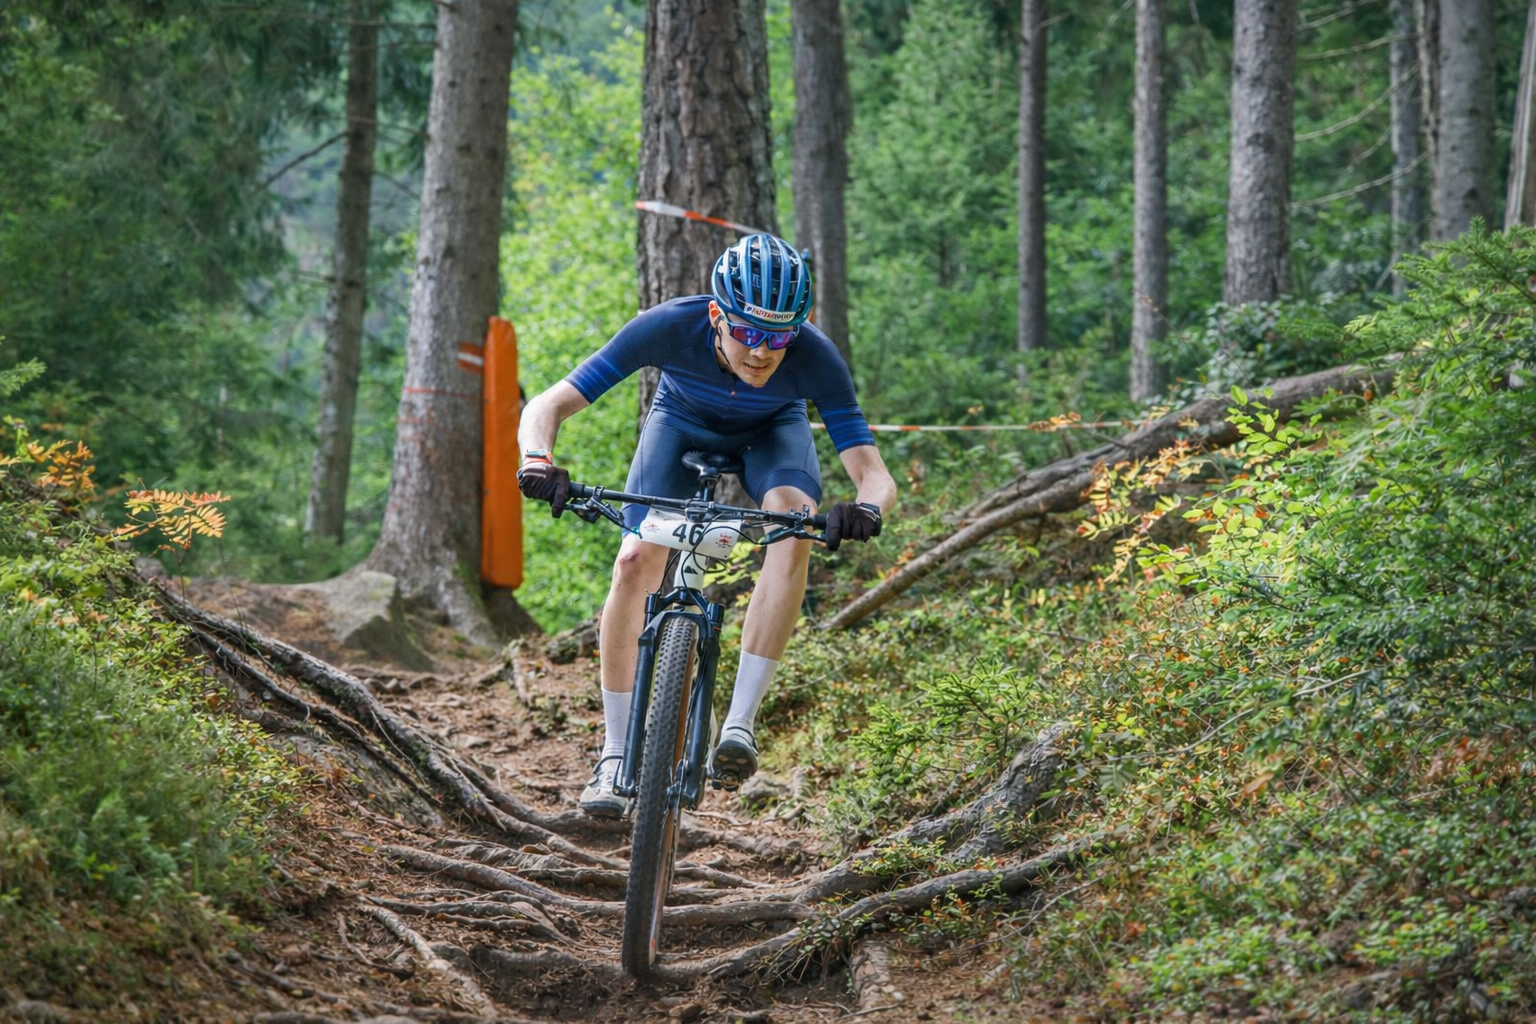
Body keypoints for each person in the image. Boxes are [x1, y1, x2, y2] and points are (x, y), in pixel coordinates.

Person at [517, 233, 897, 818]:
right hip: (680, 424)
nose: (763, 352)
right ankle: (615, 753)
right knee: (634, 560)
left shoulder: (815, 357)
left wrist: (866, 509)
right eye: (748, 332)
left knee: (794, 525)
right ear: (717, 315)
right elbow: (546, 406)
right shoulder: (668, 326)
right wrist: (537, 460)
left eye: (779, 337)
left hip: (773, 434)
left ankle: (740, 723)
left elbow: (873, 474)